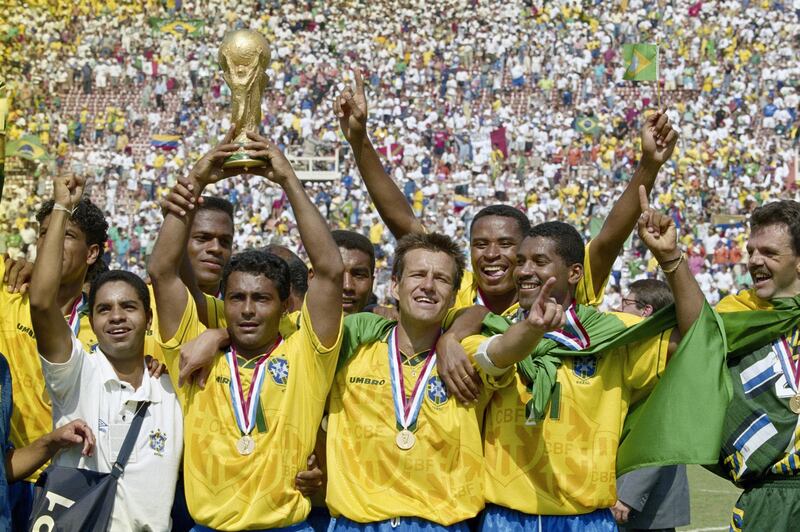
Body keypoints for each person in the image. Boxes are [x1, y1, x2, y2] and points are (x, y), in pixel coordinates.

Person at [333, 70, 678, 402]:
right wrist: (360, 141)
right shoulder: (458, 289)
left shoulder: (552, 291)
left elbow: (608, 239)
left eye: (506, 244)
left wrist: (649, 164)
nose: (492, 254)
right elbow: (403, 221)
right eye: (480, 245)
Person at [148, 130, 343, 531]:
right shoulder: (194, 358)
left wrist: (287, 177)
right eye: (237, 298)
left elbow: (330, 270)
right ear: (225, 302)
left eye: (262, 299)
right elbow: (162, 271)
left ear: (285, 304)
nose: (248, 310)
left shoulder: (306, 357)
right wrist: (197, 178)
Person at [469, 220, 684, 531]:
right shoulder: (492, 329)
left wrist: (671, 258)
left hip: (587, 519)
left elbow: (694, 336)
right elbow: (494, 357)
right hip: (506, 517)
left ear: (574, 273)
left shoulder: (613, 335)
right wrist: (531, 331)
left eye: (539, 262)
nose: (524, 271)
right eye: (520, 262)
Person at [325, 232, 514, 531]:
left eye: (440, 279)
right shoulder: (351, 348)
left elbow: (505, 350)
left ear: (453, 296)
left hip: (441, 524)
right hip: (357, 523)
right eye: (417, 275)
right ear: (395, 286)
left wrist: (533, 327)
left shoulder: (467, 354)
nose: (428, 285)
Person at [28, 173, 183, 531]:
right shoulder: (76, 372)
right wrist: (63, 207)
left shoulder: (172, 386)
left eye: (128, 307)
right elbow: (41, 301)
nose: (116, 317)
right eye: (103, 309)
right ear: (91, 321)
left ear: (149, 320)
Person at [638, 197, 800, 530]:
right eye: (751, 251)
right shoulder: (738, 315)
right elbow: (700, 334)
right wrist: (670, 257)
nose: (754, 260)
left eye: (769, 252)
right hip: (769, 503)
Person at [0, 185, 108, 530]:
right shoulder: (8, 291)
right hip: (9, 474)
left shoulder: (110, 323)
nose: (51, 240)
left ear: (91, 253)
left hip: (72, 485)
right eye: (45, 233)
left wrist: (219, 335)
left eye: (65, 234)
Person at [612, 279, 691, 531]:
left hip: (642, 503)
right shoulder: (633, 349)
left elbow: (659, 431)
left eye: (626, 302)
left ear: (645, 311)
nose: (619, 308)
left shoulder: (665, 357)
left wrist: (629, 493)